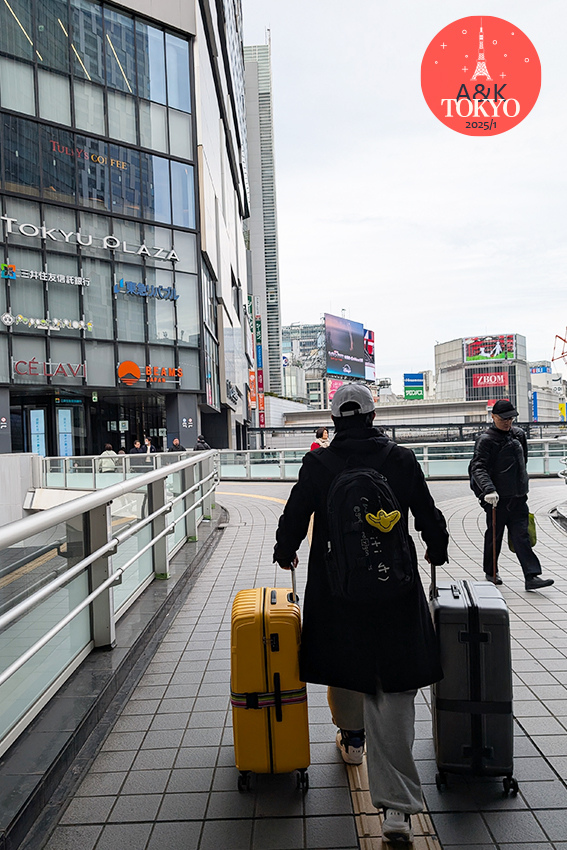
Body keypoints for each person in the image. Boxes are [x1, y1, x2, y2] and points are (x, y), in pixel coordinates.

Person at [273, 383, 449, 844]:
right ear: (373, 417)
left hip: (338, 589)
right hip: (395, 588)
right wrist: (436, 547)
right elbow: (428, 514)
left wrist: (284, 550)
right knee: (394, 686)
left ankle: (352, 739)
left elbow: (294, 515)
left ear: (335, 422)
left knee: (346, 666)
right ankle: (396, 811)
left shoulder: (319, 462)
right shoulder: (400, 459)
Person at [469, 399, 554, 591]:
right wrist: (489, 489)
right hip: (496, 499)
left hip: (518, 496)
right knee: (495, 535)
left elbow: (523, 459)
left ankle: (531, 575)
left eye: (511, 418)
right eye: (503, 418)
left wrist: (521, 487)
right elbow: (478, 467)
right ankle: (491, 572)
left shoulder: (519, 435)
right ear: (493, 417)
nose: (508, 422)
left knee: (521, 535)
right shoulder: (486, 440)